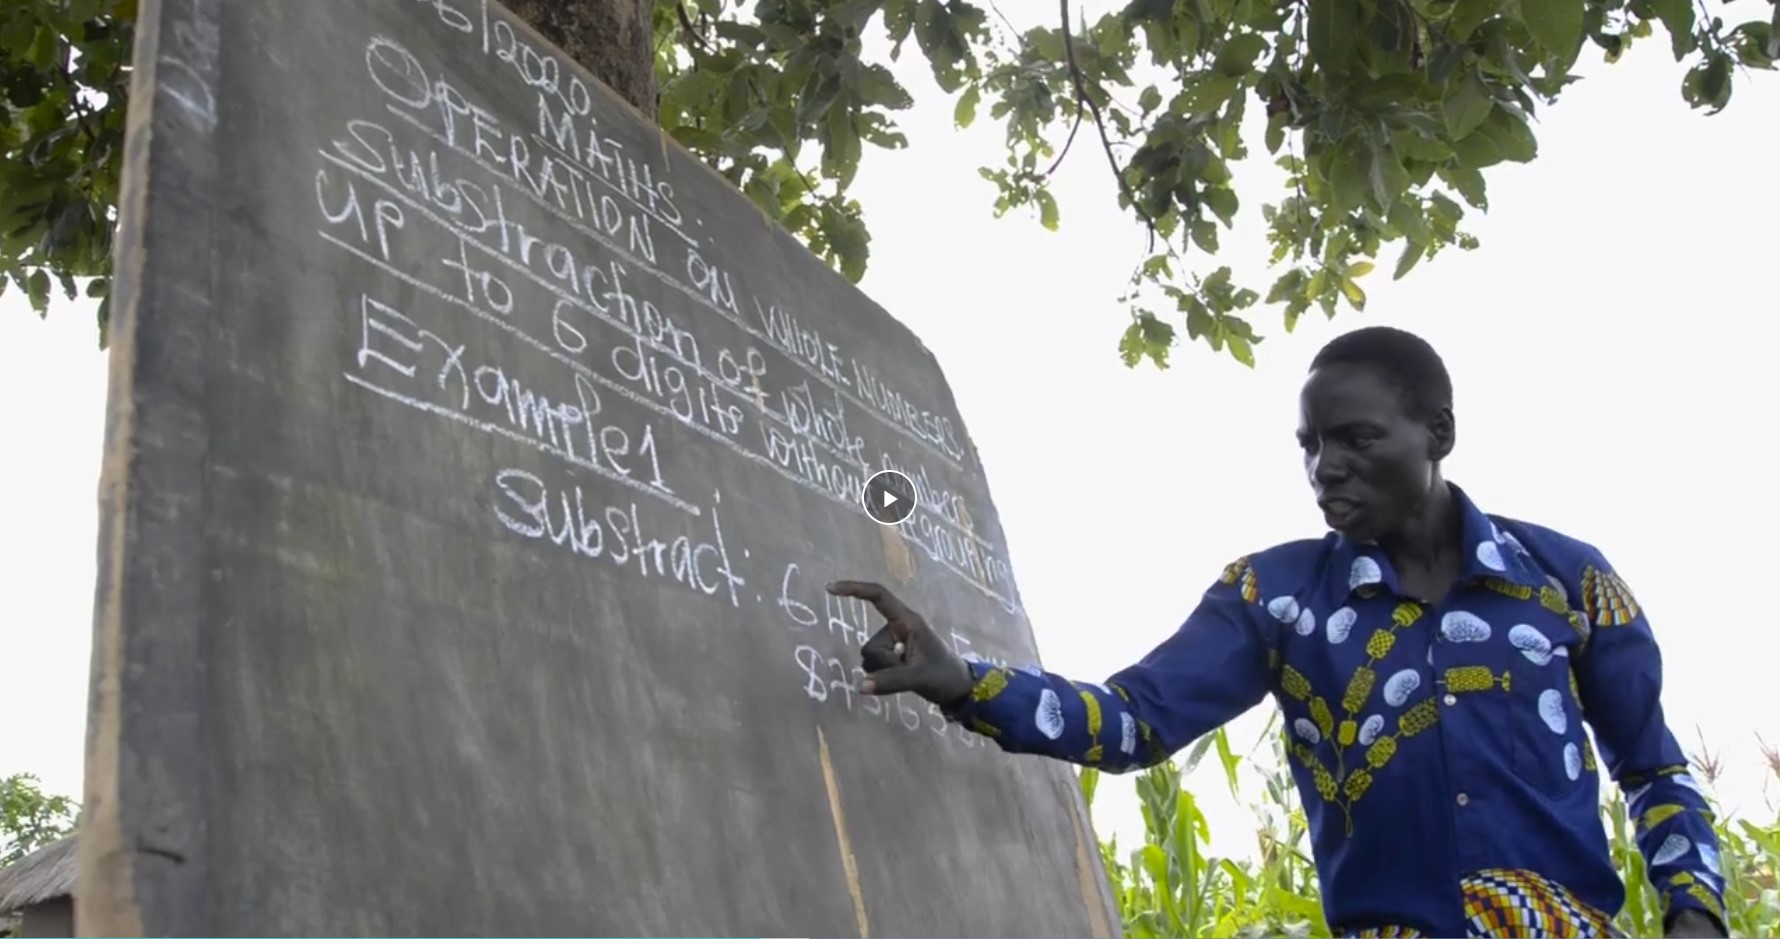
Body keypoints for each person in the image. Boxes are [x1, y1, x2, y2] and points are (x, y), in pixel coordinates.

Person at [828, 326, 1727, 939]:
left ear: (1439, 431)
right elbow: (1132, 720)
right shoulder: (1275, 598)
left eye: (1355, 438)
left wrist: (1696, 912)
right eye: (1308, 444)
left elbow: (1652, 768)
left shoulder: (1570, 583)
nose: (1324, 468)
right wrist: (964, 681)